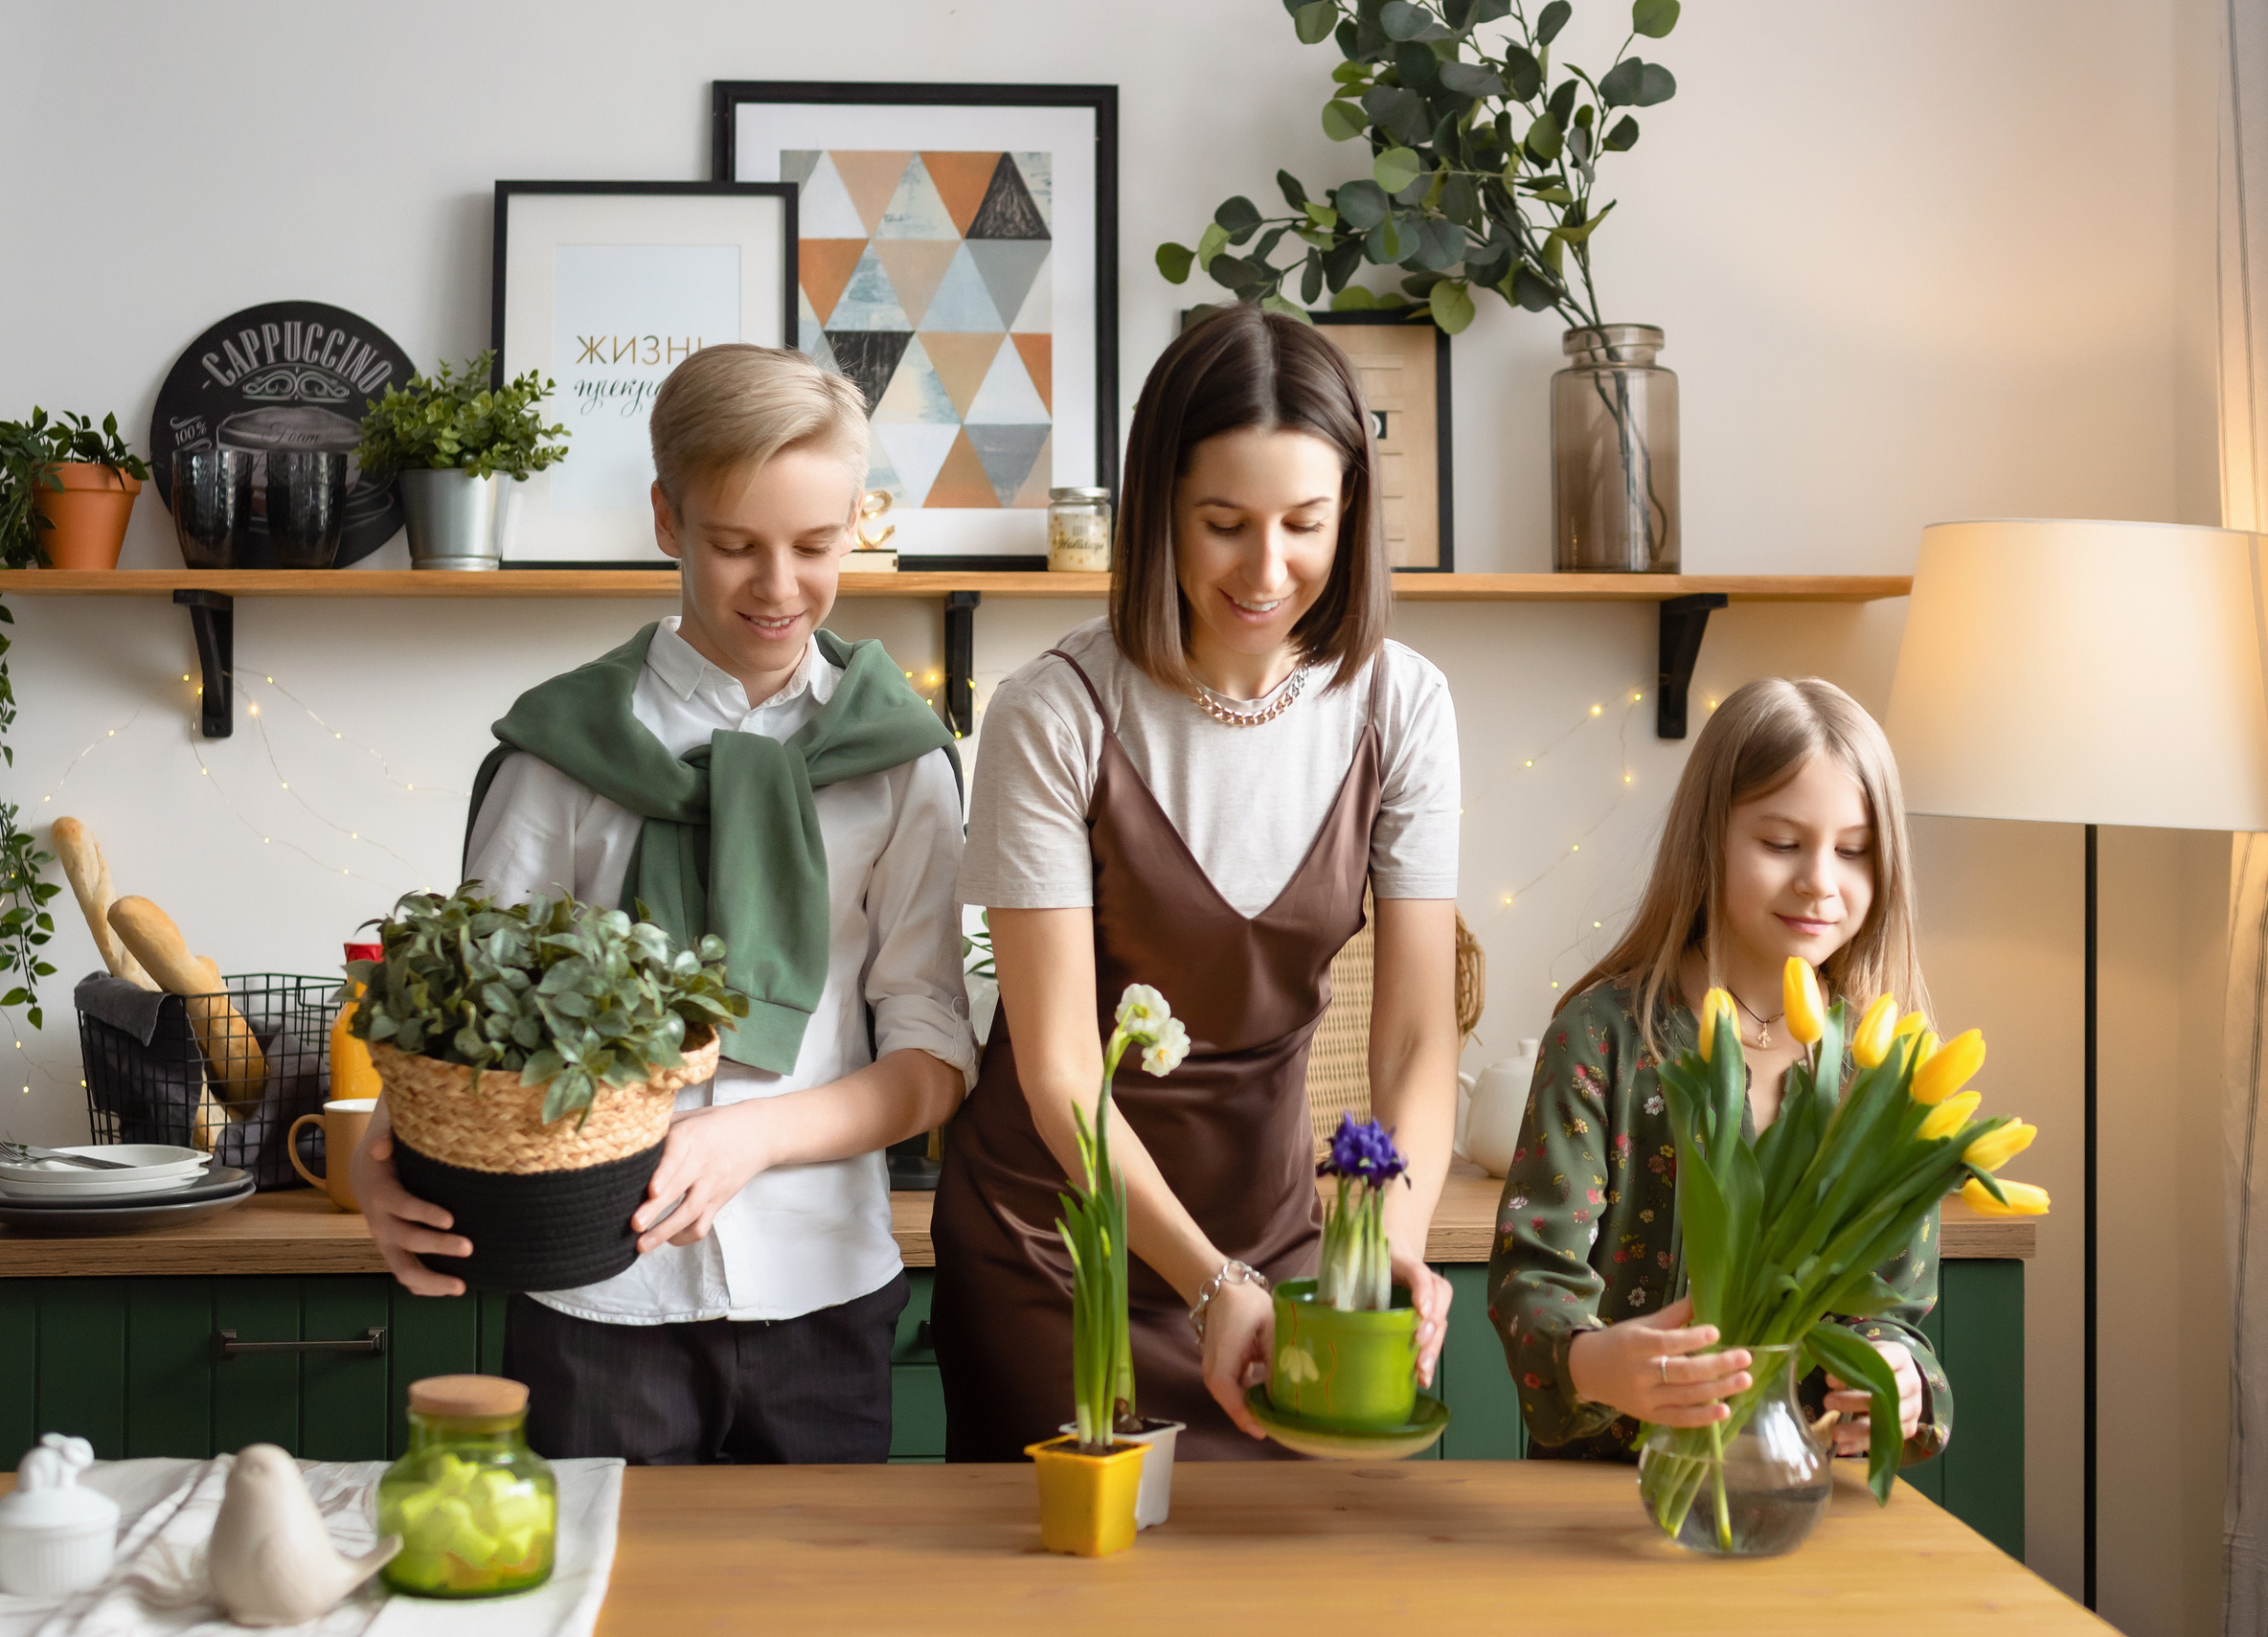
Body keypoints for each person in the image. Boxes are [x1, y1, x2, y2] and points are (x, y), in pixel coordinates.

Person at [352, 343, 974, 1465]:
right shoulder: (561, 752)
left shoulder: (901, 762)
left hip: (825, 1288)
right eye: (736, 544)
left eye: (815, 545)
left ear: (859, 524)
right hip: (596, 1301)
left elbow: (932, 1055)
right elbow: (460, 1027)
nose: (777, 586)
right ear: (666, 520)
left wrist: (750, 1137)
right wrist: (378, 1160)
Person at [934, 304, 1463, 1460]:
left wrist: (1391, 1246)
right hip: (1059, 1245)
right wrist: (1208, 1280)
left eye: (1305, 524)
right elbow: (1061, 1065)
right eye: (1223, 523)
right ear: (1158, 509)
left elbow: (1419, 1037)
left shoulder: (1399, 704)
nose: (1267, 569)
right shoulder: (1053, 711)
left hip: (1277, 1238)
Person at [1489, 676, 1953, 1464]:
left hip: (1801, 1497)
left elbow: (1895, 1312)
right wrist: (1600, 1363)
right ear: (1710, 837)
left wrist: (1902, 1380)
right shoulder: (1601, 1039)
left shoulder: (1885, 1074)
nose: (1820, 880)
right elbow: (1533, 1280)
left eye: (1853, 851)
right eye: (1780, 843)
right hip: (1604, 1499)